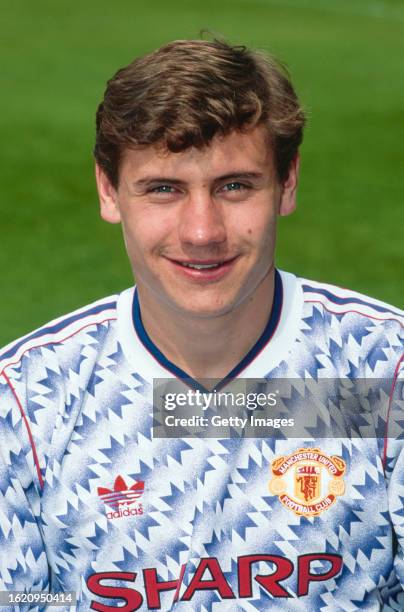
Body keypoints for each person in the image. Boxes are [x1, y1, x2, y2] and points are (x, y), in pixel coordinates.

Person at [0, 38, 403, 611]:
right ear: (108, 190)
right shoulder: (24, 404)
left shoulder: (385, 373)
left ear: (287, 183)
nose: (202, 232)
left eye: (234, 186)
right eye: (163, 188)